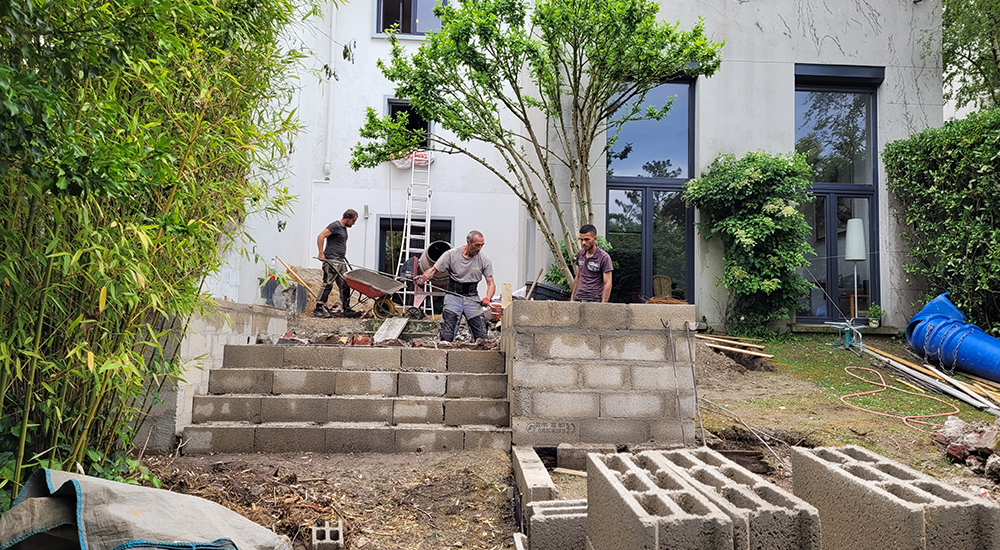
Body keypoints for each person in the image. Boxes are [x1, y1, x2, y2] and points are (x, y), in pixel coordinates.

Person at [416, 230, 495, 342]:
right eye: (477, 245)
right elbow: (433, 270)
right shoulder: (451, 255)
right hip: (453, 295)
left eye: (482, 245)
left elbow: (491, 283)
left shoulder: (484, 260)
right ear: (468, 242)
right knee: (447, 334)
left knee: (481, 335)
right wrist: (423, 277)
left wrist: (488, 297)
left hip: (472, 297)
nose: (479, 248)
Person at [315, 209, 360, 318]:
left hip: (340, 260)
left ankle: (347, 309)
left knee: (345, 284)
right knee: (327, 284)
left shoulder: (344, 228)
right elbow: (320, 236)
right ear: (348, 218)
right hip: (331, 261)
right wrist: (321, 253)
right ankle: (318, 309)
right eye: (353, 221)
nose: (353, 224)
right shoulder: (335, 226)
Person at [570, 224, 613, 302]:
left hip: (594, 300)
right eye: (581, 239)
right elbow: (578, 277)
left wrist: (604, 305)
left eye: (587, 239)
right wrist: (572, 299)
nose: (583, 243)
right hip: (578, 298)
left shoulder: (604, 257)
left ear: (595, 238)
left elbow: (608, 283)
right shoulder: (580, 254)